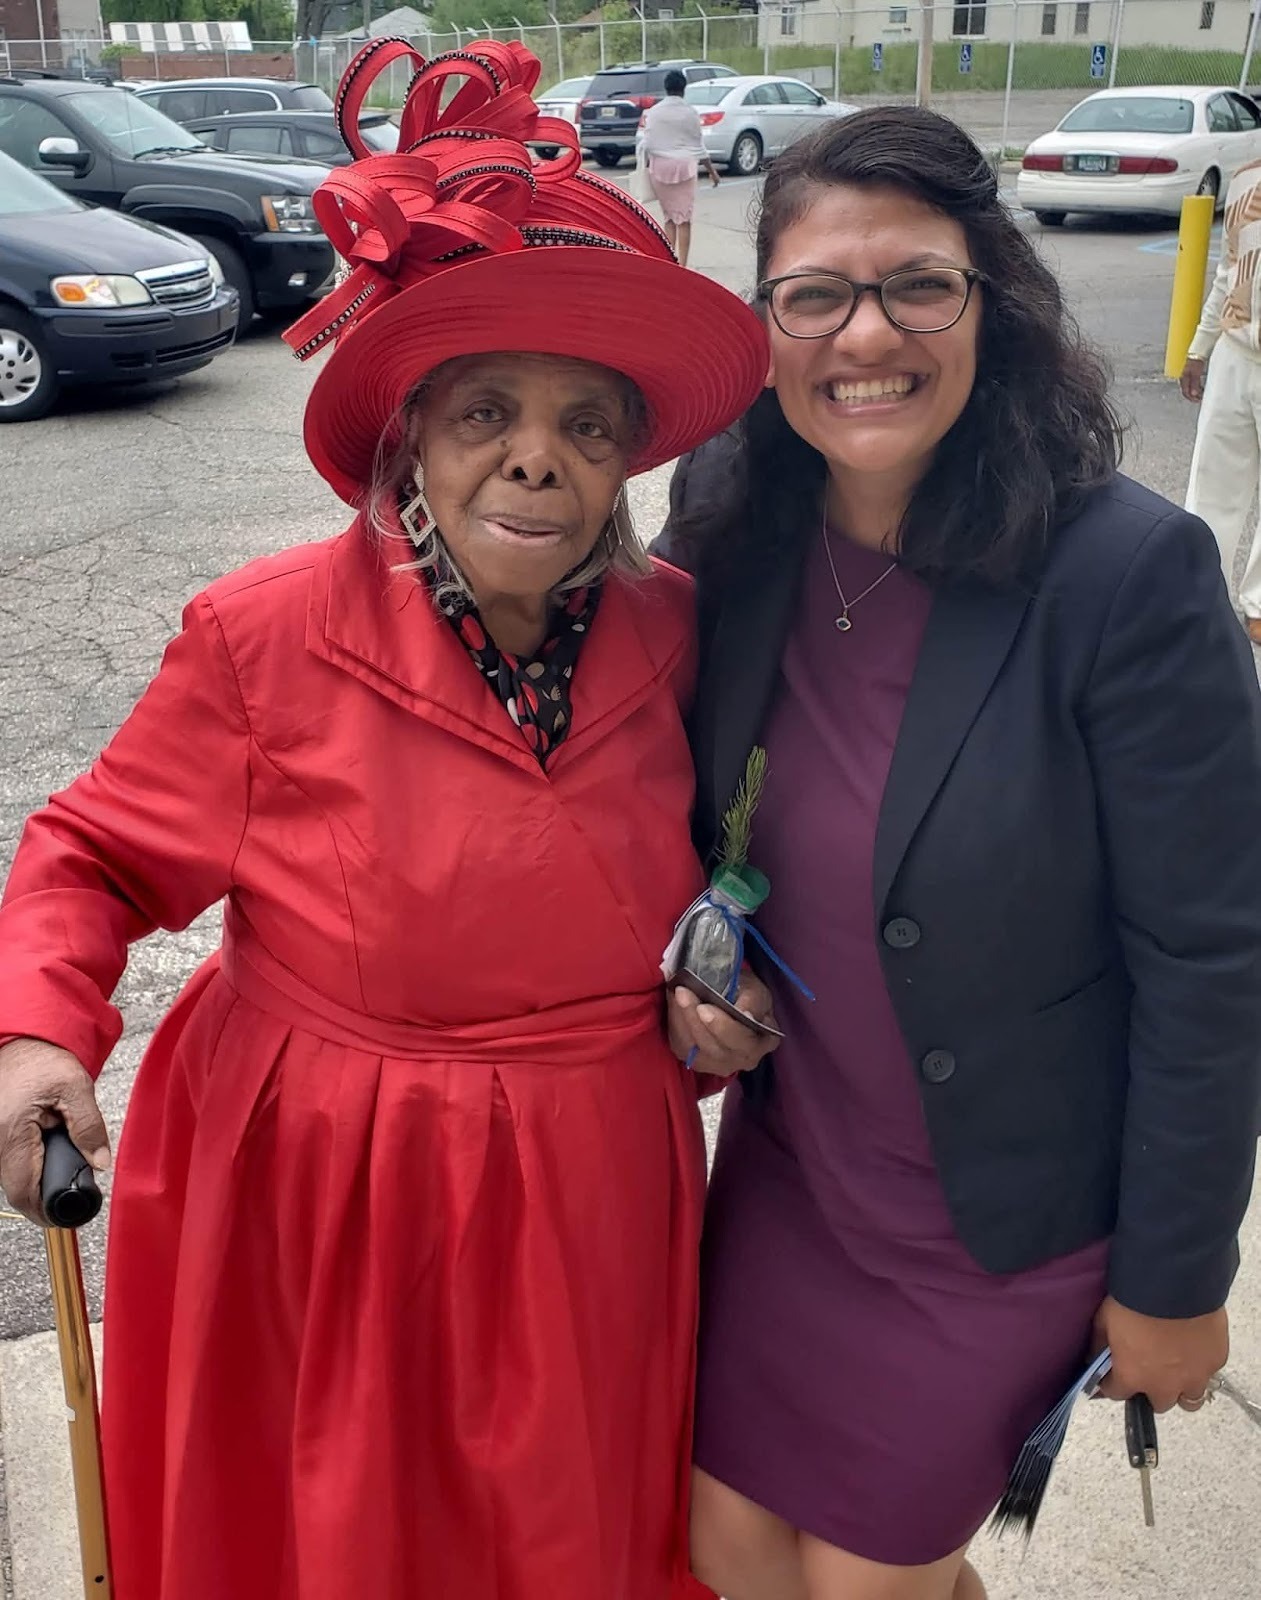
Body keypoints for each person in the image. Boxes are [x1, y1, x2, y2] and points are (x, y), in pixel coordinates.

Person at [0, 40, 773, 1600]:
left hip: (589, 1176)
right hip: (328, 1187)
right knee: (344, 1535)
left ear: (627, 460)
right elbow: (87, 854)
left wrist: (728, 988)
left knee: (570, 1531)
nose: (536, 457)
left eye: (586, 424)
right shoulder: (261, 631)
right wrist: (35, 1032)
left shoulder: (683, 632)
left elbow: (740, 872)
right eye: (485, 410)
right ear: (411, 434)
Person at [655, 107, 1261, 1600]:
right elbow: (659, 813)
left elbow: (1211, 955)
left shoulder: (1127, 574)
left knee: (867, 1576)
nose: (869, 332)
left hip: (1007, 1207)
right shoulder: (729, 534)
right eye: (816, 296)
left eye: (917, 284)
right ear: (768, 329)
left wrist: (1177, 1279)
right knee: (726, 1546)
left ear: (989, 299)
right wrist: (688, 989)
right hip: (800, 1178)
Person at [1181, 155, 1261, 644]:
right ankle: (1194, 591)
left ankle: (1258, 602)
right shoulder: (1246, 179)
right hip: (1236, 350)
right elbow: (1229, 271)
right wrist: (1199, 347)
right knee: (1211, 483)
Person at [641, 68, 720, 267]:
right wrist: (712, 172)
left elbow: (648, 143)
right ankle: (682, 264)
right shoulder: (689, 112)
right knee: (684, 218)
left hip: (659, 169)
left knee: (668, 217)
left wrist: (648, 166)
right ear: (683, 89)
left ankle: (669, 262)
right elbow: (698, 146)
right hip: (685, 167)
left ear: (666, 88)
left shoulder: (654, 112)